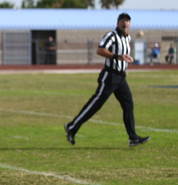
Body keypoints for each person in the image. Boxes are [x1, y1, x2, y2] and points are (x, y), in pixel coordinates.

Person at [64, 13, 150, 148]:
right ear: (117, 23)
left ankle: (132, 137)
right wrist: (116, 56)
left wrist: (128, 59)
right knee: (95, 105)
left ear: (130, 24)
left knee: (128, 105)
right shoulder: (112, 35)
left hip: (121, 78)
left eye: (127, 21)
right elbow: (100, 50)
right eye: (122, 21)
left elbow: (123, 55)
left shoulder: (128, 38)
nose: (125, 23)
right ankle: (72, 126)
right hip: (110, 76)